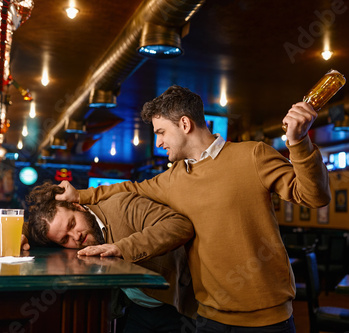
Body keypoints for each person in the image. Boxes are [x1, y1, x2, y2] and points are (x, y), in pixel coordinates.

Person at [56, 85, 331, 332]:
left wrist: (299, 142)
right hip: (208, 318)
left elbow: (313, 197)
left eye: (161, 132)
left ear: (185, 124)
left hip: (268, 318)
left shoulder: (253, 155)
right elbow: (131, 189)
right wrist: (79, 194)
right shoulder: (172, 179)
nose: (159, 142)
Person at [24, 181, 197, 332]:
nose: (75, 236)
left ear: (78, 207)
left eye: (72, 224)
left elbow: (180, 225)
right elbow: (28, 231)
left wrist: (121, 248)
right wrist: (15, 237)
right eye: (64, 239)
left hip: (178, 306)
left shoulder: (122, 206)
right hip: (138, 307)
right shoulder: (67, 237)